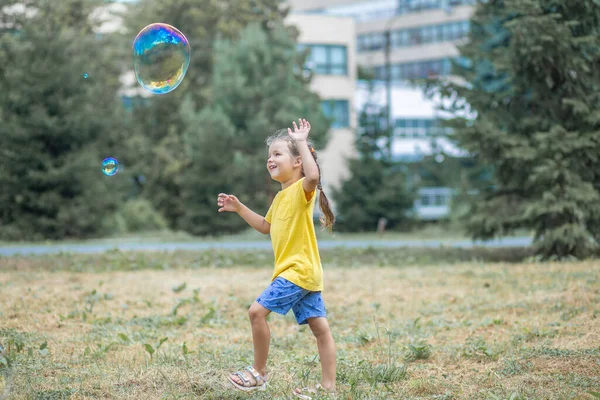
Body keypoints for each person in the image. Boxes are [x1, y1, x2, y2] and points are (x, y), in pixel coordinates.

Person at [218, 119, 337, 399]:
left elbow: (312, 177)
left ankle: (258, 374)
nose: (270, 159)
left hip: (297, 272)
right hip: (304, 274)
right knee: (320, 329)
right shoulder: (281, 198)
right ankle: (328, 388)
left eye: (278, 154)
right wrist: (239, 208)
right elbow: (265, 226)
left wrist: (302, 142)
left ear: (298, 162)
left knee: (256, 312)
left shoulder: (302, 190)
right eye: (269, 156)